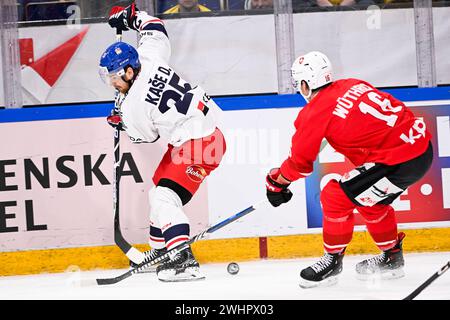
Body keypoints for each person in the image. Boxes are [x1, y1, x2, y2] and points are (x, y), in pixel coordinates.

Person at [265, 51, 433, 288]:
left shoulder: (313, 114)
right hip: (421, 148)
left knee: (334, 197)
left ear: (305, 84)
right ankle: (392, 257)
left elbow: (300, 165)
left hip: (398, 160)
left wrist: (277, 182)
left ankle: (332, 262)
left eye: (298, 84)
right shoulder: (353, 84)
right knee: (371, 201)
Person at [99, 3, 226, 282]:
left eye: (114, 77)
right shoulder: (149, 55)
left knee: (163, 198)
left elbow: (145, 137)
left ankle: (182, 257)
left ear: (129, 72)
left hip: (198, 142)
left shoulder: (133, 105)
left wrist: (122, 120)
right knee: (157, 192)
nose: (111, 83)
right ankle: (160, 253)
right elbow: (154, 27)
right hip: (201, 133)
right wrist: (132, 17)